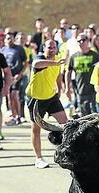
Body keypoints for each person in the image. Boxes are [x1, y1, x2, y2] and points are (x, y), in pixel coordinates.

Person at [25, 39, 68, 169]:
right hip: (36, 98)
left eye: (54, 47)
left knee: (65, 124)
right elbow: (36, 64)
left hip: (51, 97)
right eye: (49, 47)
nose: (51, 50)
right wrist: (55, 63)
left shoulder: (58, 60)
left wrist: (60, 90)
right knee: (36, 129)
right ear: (44, 48)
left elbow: (58, 76)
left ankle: (66, 153)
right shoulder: (41, 58)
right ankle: (38, 158)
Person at [66, 33, 99, 117]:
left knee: (95, 116)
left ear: (88, 41)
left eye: (83, 40)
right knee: (84, 116)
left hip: (94, 91)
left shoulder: (95, 55)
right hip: (80, 90)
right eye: (79, 41)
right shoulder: (74, 56)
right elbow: (69, 72)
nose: (81, 42)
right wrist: (67, 87)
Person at [2, 32, 27, 125]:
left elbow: (25, 63)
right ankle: (13, 115)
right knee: (9, 97)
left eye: (11, 38)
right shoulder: (3, 50)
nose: (9, 40)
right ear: (5, 40)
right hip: (7, 77)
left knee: (14, 95)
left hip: (16, 76)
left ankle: (19, 116)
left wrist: (20, 74)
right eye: (8, 38)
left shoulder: (19, 49)